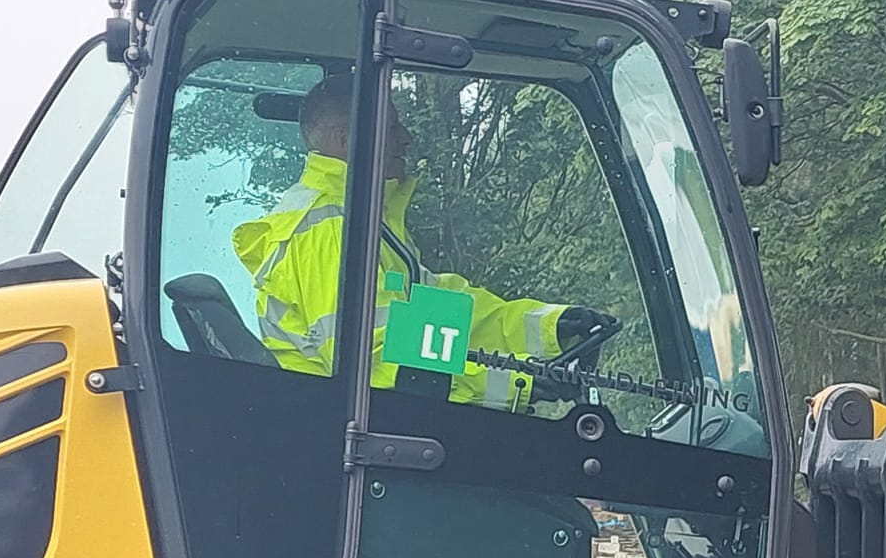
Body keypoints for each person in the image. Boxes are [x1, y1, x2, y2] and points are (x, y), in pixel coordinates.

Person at [234, 73, 610, 412]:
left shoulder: (361, 222)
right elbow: (371, 359)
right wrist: (512, 384)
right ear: (348, 140)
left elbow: (446, 320)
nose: (406, 138)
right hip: (349, 441)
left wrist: (550, 328)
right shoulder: (328, 231)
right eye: (392, 127)